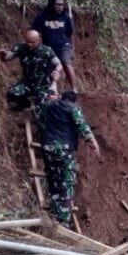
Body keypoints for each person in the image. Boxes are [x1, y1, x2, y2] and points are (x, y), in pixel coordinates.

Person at [35, 82, 100, 227]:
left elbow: (44, 101)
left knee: (53, 179)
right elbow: (82, 125)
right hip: (64, 149)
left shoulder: (50, 105)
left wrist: (53, 83)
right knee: (66, 181)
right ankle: (63, 219)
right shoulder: (73, 108)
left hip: (48, 147)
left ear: (61, 97)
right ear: (73, 100)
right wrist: (93, 141)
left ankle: (54, 210)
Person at [0, 29, 62, 110]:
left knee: (47, 105)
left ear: (38, 40)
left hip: (43, 84)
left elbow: (58, 63)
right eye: (27, 41)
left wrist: (56, 71)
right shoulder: (20, 47)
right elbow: (6, 58)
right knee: (11, 94)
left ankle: (39, 103)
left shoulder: (46, 51)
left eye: (32, 42)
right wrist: (3, 55)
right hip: (27, 82)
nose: (29, 44)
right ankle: (25, 104)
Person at [32, 0, 77, 91]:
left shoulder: (66, 17)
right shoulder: (42, 17)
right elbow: (34, 32)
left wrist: (72, 48)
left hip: (64, 46)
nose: (60, 7)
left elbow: (71, 34)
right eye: (58, 4)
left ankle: (74, 90)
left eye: (62, 4)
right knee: (47, 69)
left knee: (66, 62)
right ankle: (50, 93)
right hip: (48, 47)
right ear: (52, 4)